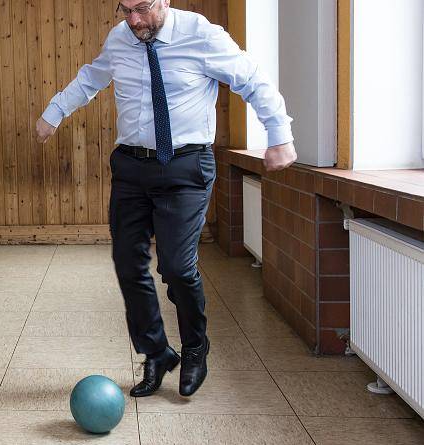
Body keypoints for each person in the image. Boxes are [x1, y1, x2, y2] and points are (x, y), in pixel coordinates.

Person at [35, 0, 297, 397]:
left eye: (141, 9)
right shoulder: (121, 38)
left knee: (176, 266)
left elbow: (251, 79)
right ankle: (156, 352)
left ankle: (195, 345)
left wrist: (279, 134)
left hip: (185, 167)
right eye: (125, 9)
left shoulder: (201, 35)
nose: (133, 20)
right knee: (128, 263)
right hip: (131, 166)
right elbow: (92, 77)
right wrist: (54, 112)